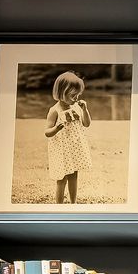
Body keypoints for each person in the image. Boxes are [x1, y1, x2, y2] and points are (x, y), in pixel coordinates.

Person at [45, 71, 92, 205]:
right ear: (61, 92)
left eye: (78, 95)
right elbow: (47, 132)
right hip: (61, 150)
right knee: (61, 179)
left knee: (74, 176)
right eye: (73, 95)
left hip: (74, 149)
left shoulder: (77, 106)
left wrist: (85, 110)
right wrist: (56, 128)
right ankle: (59, 206)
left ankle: (73, 203)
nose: (76, 98)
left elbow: (86, 124)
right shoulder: (54, 110)